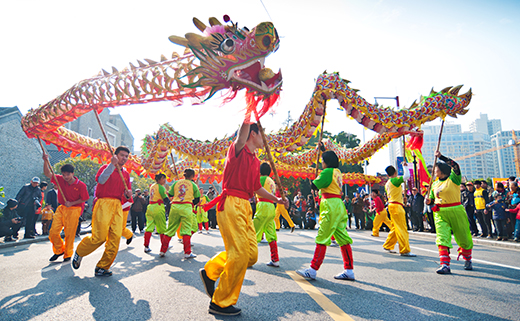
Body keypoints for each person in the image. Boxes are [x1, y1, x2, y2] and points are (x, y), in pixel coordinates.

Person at [199, 121, 286, 316]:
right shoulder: (237, 150)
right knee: (239, 254)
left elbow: (257, 188)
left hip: (246, 206)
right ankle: (220, 302)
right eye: (262, 133)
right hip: (230, 203)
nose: (265, 138)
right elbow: (241, 135)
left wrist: (277, 199)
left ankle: (211, 270)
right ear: (252, 134)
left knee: (251, 255)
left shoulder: (255, 161)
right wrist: (251, 104)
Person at [296, 143, 356, 281]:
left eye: (322, 161)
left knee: (322, 237)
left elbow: (314, 185)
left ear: (326, 163)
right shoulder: (337, 172)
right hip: (338, 205)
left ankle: (312, 269)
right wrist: (324, 151)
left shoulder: (327, 172)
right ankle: (349, 269)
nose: (321, 163)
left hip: (329, 206)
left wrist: (314, 179)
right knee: (343, 238)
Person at [72, 146, 132, 276]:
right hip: (103, 203)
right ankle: (80, 251)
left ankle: (103, 267)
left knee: (115, 238)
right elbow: (101, 180)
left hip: (117, 205)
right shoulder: (105, 168)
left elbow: (126, 194)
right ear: (115, 155)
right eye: (122, 155)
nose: (124, 158)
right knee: (99, 237)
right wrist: (112, 165)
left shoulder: (126, 174)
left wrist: (128, 194)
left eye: (126, 156)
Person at [425, 151, 473, 274]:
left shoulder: (454, 179)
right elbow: (431, 200)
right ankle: (445, 264)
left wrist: (441, 157)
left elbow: (456, 166)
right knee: (442, 238)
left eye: (436, 169)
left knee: (464, 238)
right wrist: (429, 201)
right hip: (440, 212)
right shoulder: (434, 184)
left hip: (456, 210)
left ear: (443, 170)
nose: (434, 171)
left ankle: (467, 258)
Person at [42, 158, 90, 262]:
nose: (66, 177)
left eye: (68, 174)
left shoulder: (81, 185)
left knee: (69, 233)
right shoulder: (59, 179)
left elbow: (85, 198)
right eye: (64, 174)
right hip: (62, 208)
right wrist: (45, 161)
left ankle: (68, 254)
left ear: (72, 174)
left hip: (75, 209)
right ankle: (59, 250)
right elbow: (47, 173)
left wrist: (72, 203)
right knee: (53, 232)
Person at [162, 169, 200, 258]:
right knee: (186, 229)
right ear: (193, 176)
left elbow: (170, 194)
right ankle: (187, 252)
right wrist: (190, 203)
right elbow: (197, 199)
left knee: (170, 229)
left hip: (175, 206)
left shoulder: (176, 183)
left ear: (184, 175)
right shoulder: (193, 185)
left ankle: (162, 251)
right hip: (186, 207)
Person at [382, 163, 416, 257]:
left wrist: (401, 198)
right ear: (395, 172)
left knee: (395, 227)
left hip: (393, 205)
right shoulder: (394, 180)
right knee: (402, 228)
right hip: (396, 206)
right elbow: (407, 176)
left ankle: (388, 244)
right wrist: (405, 166)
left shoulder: (387, 183)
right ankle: (405, 250)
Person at [252, 163, 282, 267]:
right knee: (271, 233)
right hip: (271, 207)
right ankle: (275, 259)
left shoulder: (262, 179)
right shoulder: (272, 181)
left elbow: (253, 188)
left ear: (259, 171)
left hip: (263, 206)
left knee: (253, 232)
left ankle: (249, 258)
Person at [143, 173, 170, 254]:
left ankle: (146, 246)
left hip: (150, 207)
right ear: (158, 179)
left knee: (149, 227)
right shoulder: (161, 187)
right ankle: (163, 247)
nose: (164, 180)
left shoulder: (152, 186)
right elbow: (166, 200)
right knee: (162, 228)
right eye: (163, 178)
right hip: (158, 207)